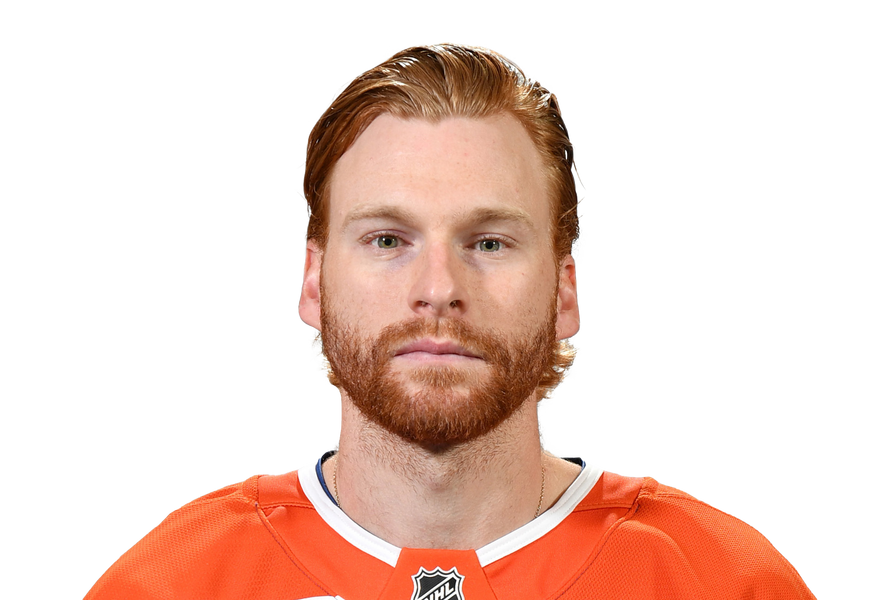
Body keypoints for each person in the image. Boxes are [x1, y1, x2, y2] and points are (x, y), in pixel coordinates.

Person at [83, 42, 816, 600]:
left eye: (489, 243)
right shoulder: (173, 585)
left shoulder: (723, 582)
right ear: (313, 281)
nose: (438, 290)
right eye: (387, 240)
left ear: (565, 292)